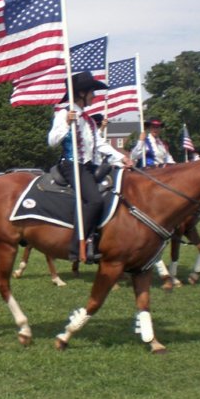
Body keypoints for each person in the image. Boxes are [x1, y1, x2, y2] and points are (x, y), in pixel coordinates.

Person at [48, 71, 132, 263]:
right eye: (92, 92)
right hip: (72, 165)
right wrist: (67, 124)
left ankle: (101, 237)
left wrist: (122, 158)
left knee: (115, 189)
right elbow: (52, 142)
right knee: (94, 201)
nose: (95, 96)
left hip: (89, 166)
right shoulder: (63, 114)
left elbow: (100, 144)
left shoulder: (88, 120)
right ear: (81, 94)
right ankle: (77, 247)